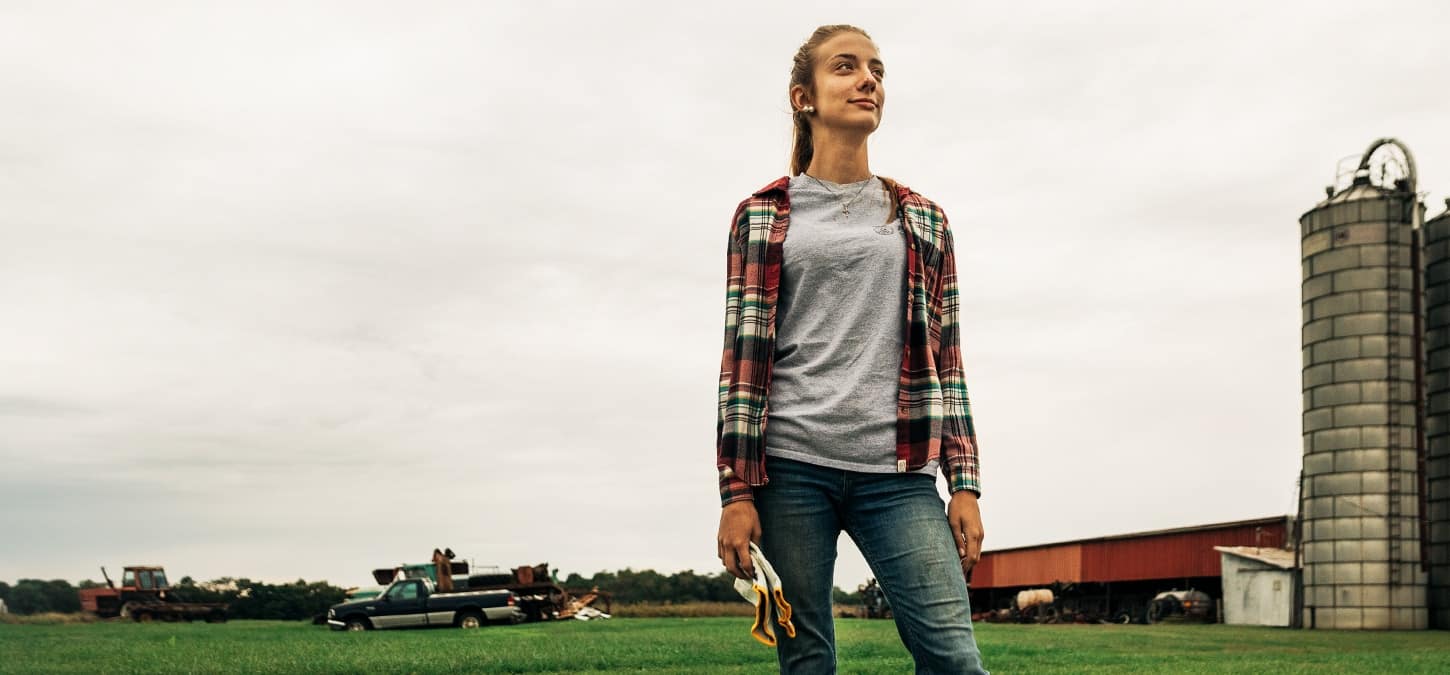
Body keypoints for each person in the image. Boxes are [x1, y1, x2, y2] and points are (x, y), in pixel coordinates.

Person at [714, 24, 989, 674]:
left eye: (877, 70)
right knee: (806, 660)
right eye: (847, 67)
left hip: (897, 477)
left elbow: (948, 360)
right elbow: (742, 367)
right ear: (803, 97)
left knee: (955, 658)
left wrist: (966, 483)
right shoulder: (760, 217)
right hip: (790, 470)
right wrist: (736, 491)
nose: (869, 79)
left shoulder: (923, 219)